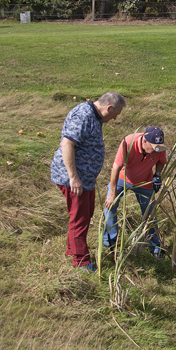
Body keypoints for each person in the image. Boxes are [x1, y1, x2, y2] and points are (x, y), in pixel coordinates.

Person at [51, 92, 126, 273]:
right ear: (109, 108)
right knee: (80, 218)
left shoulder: (95, 116)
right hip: (75, 179)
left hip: (85, 179)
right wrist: (73, 177)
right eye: (115, 114)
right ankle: (80, 261)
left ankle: (72, 250)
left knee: (85, 214)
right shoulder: (83, 115)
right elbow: (67, 144)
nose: (115, 119)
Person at [103, 126, 168, 257]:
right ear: (144, 141)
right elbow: (115, 168)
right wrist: (112, 193)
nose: (157, 151)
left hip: (145, 180)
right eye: (154, 147)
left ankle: (155, 247)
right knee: (110, 206)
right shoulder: (128, 143)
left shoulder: (159, 147)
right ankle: (110, 243)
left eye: (159, 147)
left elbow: (161, 161)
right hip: (123, 178)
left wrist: (157, 175)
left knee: (150, 213)